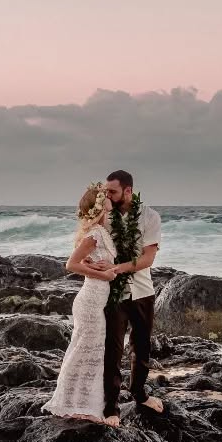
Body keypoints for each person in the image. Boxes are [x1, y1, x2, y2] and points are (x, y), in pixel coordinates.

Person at [43, 182, 119, 421]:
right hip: (89, 301)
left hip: (97, 300)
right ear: (98, 206)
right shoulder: (95, 233)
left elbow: (85, 262)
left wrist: (94, 267)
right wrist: (102, 274)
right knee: (84, 351)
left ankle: (85, 405)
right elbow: (70, 264)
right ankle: (74, 404)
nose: (109, 199)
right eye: (104, 197)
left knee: (92, 351)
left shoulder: (102, 230)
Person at [99, 169, 165, 426]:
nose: (109, 195)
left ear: (128, 191)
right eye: (106, 191)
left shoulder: (149, 216)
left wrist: (118, 268)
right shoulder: (105, 217)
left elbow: (148, 259)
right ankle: (111, 406)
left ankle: (139, 392)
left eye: (112, 191)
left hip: (142, 291)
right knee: (112, 350)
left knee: (142, 346)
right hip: (113, 292)